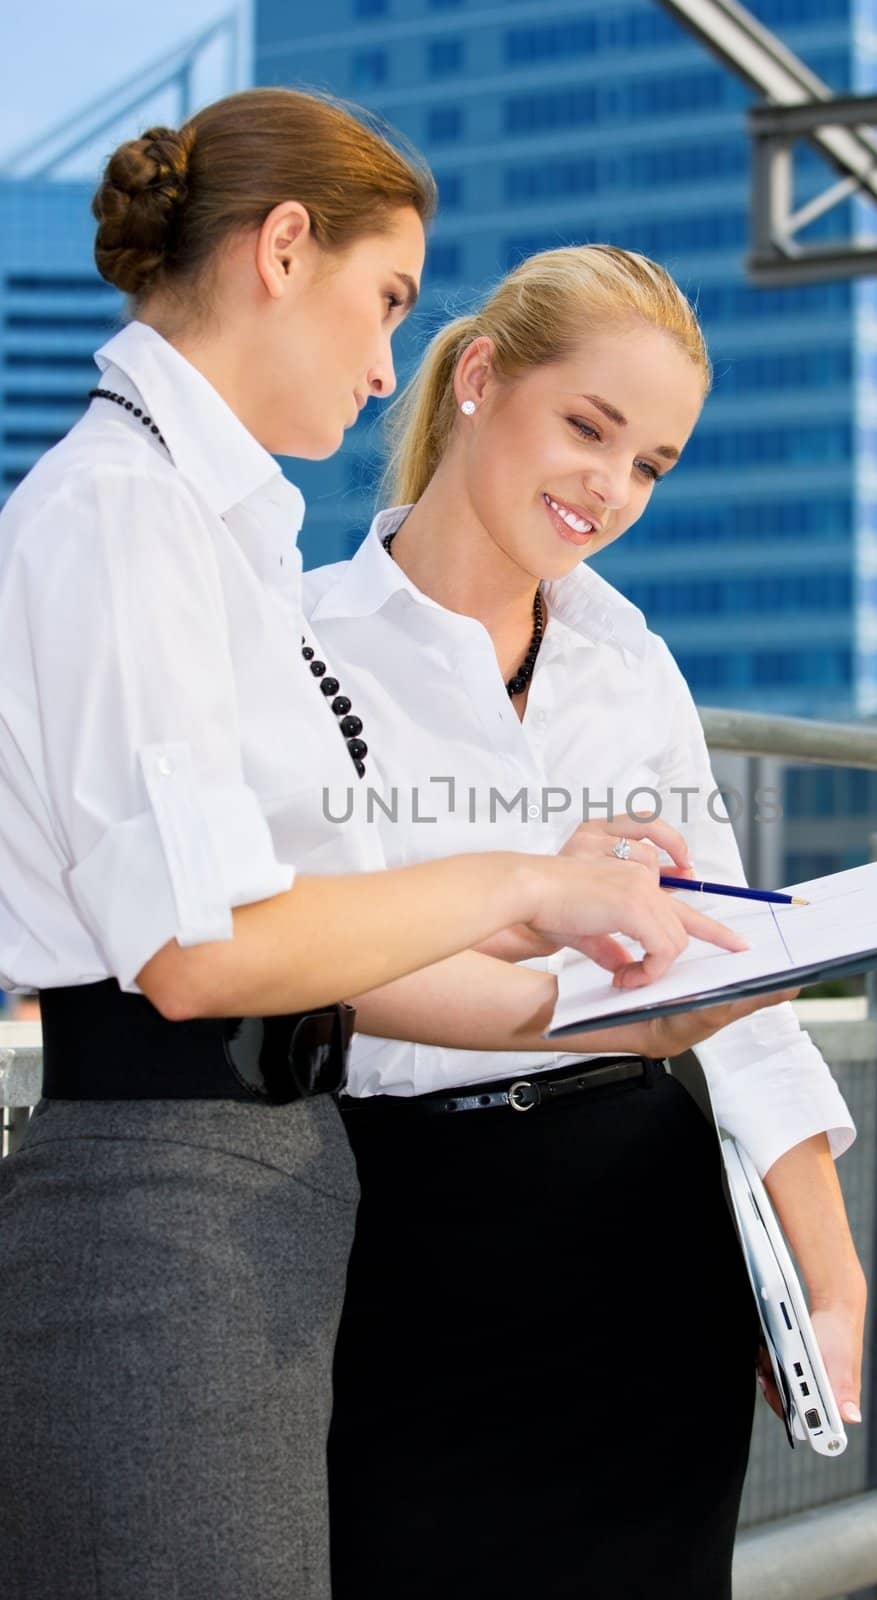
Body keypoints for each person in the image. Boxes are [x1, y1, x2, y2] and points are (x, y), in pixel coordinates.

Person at [0, 105, 791, 1600]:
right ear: (282, 251)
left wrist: (630, 1012)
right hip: (168, 1206)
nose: (387, 367)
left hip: (274, 1189)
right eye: (386, 305)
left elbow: (315, 940)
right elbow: (201, 953)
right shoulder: (124, 519)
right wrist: (523, 883)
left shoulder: (199, 528)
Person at [308, 244, 869, 1600]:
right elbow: (295, 947)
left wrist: (829, 1273)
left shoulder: (634, 668)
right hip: (384, 1231)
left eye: (649, 466)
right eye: (589, 430)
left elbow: (739, 975)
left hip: (641, 1218)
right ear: (482, 381)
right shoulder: (295, 642)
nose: (608, 490)